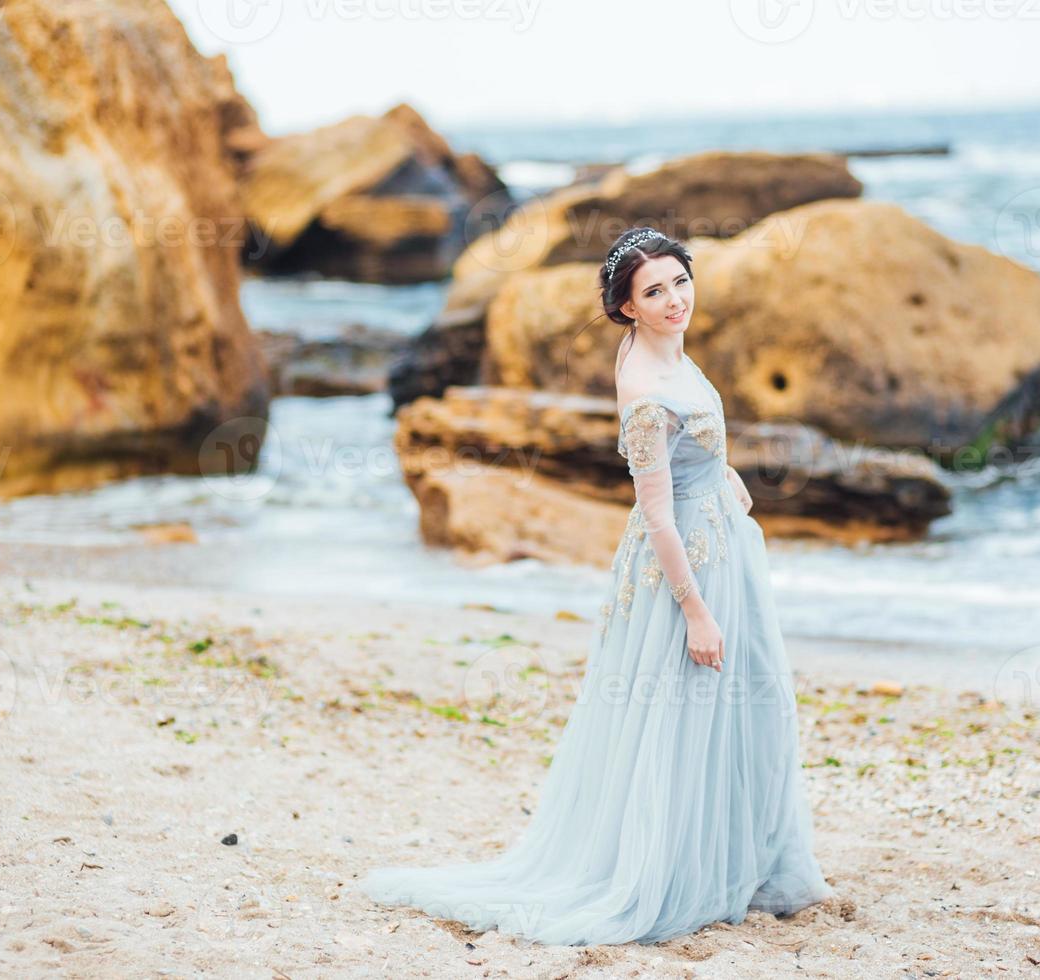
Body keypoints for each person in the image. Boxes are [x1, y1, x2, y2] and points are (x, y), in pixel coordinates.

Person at [355, 227, 836, 946]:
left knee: (741, 707)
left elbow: (687, 451)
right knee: (683, 717)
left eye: (680, 281)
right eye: (654, 292)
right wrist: (697, 612)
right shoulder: (644, 393)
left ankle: (738, 858)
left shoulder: (666, 348)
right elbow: (657, 516)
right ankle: (673, 871)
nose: (675, 300)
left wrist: (720, 469)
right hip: (688, 569)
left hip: (721, 542)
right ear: (625, 310)